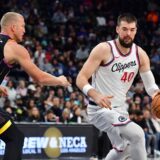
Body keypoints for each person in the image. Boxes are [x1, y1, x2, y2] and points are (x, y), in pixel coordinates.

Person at [76, 13, 160, 160]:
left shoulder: (140, 54)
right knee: (138, 134)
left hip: (120, 109)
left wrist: (157, 96)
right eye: (125, 29)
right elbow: (80, 78)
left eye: (132, 30)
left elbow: (151, 86)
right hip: (100, 109)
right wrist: (95, 95)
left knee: (125, 149)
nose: (128, 33)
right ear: (117, 29)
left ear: (136, 30)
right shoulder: (103, 49)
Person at [0, 12, 70, 160]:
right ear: (13, 27)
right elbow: (40, 78)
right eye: (22, 26)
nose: (25, 30)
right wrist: (60, 80)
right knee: (15, 138)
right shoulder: (14, 47)